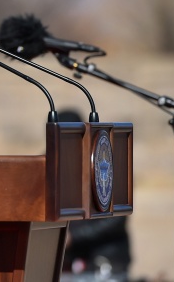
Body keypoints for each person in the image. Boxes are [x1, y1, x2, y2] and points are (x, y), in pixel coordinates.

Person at [59, 109, 132, 281]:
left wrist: (73, 238)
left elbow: (116, 218)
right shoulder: (51, 163)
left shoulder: (104, 164)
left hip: (104, 261)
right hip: (68, 264)